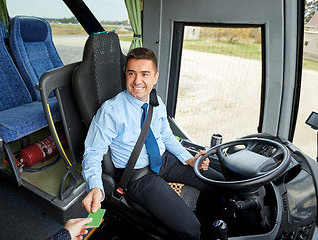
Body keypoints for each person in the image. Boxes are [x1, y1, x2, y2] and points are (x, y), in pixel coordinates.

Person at [81, 47, 224, 239]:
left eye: (144, 74)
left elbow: (166, 135)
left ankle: (210, 226)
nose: (137, 81)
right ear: (126, 75)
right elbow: (92, 152)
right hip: (139, 176)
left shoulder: (157, 102)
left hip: (165, 160)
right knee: (190, 229)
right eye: (131, 73)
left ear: (155, 77)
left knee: (218, 183)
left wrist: (188, 159)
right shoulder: (111, 111)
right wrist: (95, 187)